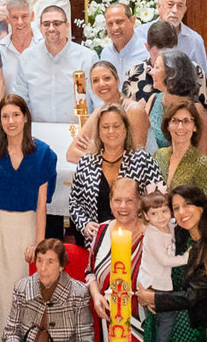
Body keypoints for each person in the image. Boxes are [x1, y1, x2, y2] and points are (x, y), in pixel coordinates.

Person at [0, 94, 58, 342]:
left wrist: (39, 244)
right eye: (5, 116)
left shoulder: (43, 154)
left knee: (20, 294)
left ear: (25, 117)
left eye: (16, 115)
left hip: (25, 229)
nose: (11, 121)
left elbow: (42, 204)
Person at [137, 185, 207, 342]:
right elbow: (151, 261)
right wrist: (144, 290)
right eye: (176, 208)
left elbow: (193, 296)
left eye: (187, 205)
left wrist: (154, 297)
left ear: (202, 206)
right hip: (162, 317)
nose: (181, 212)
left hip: (195, 326)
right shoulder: (177, 232)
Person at [2, 238, 95, 342]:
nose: (43, 268)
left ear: (61, 265)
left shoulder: (78, 293)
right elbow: (11, 332)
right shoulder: (22, 288)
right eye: (39, 260)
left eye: (50, 262)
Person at [68, 102, 163, 243]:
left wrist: (143, 226)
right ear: (99, 132)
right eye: (105, 127)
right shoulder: (87, 163)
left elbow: (159, 199)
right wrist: (85, 224)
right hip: (96, 243)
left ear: (126, 129)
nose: (111, 131)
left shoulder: (143, 160)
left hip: (137, 240)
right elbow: (75, 202)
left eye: (116, 126)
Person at [85, 179, 147, 342]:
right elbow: (89, 272)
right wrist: (96, 296)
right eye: (117, 200)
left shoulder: (153, 234)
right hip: (108, 323)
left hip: (143, 323)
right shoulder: (101, 231)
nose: (123, 206)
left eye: (129, 200)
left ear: (140, 202)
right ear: (110, 201)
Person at [12, 2, 97, 121]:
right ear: (40, 28)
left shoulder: (87, 58)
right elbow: (19, 101)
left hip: (78, 132)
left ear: (67, 26)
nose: (51, 28)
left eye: (57, 23)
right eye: (46, 24)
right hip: (37, 133)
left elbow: (98, 101)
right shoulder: (27, 58)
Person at [137, 191, 190, 342]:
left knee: (167, 316)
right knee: (166, 316)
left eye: (164, 211)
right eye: (154, 213)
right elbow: (165, 260)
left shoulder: (169, 226)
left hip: (162, 278)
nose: (160, 217)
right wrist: (186, 258)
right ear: (145, 216)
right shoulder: (152, 235)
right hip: (152, 281)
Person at [131, 46, 207, 154]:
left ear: (171, 73)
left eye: (156, 67)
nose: (151, 72)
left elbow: (203, 156)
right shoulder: (153, 100)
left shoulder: (197, 110)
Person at [123, 20, 207, 111]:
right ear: (147, 47)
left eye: (169, 54)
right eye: (159, 54)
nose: (165, 60)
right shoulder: (134, 74)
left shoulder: (194, 71)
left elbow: (205, 110)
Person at [153, 94, 207, 201]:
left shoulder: (202, 163)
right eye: (175, 121)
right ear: (168, 125)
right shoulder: (159, 155)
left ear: (195, 126)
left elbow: (206, 207)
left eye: (186, 121)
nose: (180, 127)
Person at [156, 0, 207, 82]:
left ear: (185, 10)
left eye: (180, 6)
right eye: (170, 5)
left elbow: (204, 79)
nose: (175, 11)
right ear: (159, 6)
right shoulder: (141, 33)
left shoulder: (194, 40)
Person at [99, 1, 148, 85]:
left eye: (119, 22)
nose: (115, 28)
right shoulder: (106, 54)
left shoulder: (147, 51)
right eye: (110, 24)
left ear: (132, 21)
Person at [0, 0, 41, 90]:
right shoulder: (0, 49)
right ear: (7, 19)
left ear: (32, 16)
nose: (20, 22)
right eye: (14, 17)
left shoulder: (44, 45)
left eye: (24, 16)